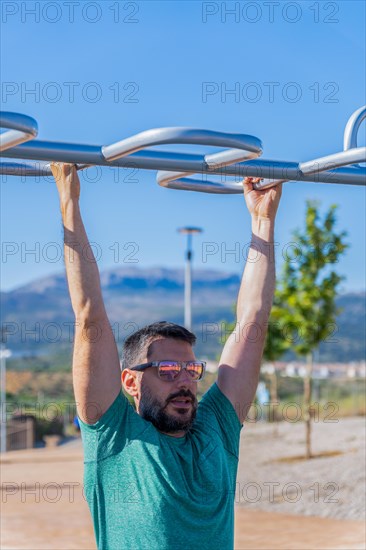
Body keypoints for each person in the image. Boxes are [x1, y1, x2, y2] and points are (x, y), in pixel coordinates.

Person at [51, 163, 282, 550]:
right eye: (169, 369)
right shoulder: (114, 436)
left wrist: (262, 221)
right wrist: (68, 200)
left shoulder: (217, 430)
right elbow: (89, 316)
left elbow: (252, 322)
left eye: (191, 370)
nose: (186, 382)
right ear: (131, 381)